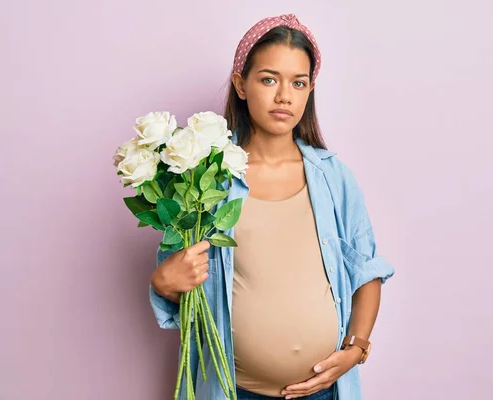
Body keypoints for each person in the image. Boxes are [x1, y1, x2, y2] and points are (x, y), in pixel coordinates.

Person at [149, 13, 395, 400]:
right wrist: (163, 283)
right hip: (234, 390)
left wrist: (356, 348)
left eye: (298, 83)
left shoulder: (334, 178)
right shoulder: (207, 183)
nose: (284, 96)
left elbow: (367, 271)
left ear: (310, 89)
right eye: (268, 79)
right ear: (240, 85)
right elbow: (188, 287)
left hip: (324, 390)